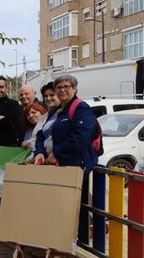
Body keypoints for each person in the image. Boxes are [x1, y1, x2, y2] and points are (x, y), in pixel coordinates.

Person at [33, 75, 98, 241]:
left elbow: (81, 137)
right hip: (59, 166)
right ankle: (56, 244)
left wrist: (57, 153)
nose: (62, 90)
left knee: (73, 208)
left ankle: (74, 245)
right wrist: (39, 151)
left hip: (75, 166)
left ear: (75, 89)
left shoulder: (81, 108)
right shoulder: (57, 110)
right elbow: (41, 134)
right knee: (58, 207)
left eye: (67, 86)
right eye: (59, 87)